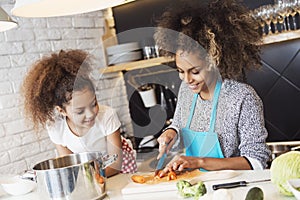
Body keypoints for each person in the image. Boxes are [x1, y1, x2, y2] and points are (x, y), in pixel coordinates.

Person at [154, 0, 271, 174]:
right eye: (180, 71)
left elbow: (256, 161)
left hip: (233, 188)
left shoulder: (242, 97)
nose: (187, 79)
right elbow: (179, 124)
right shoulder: (186, 90)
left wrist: (199, 162)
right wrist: (171, 132)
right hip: (196, 184)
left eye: (195, 71)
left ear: (213, 62)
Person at [21, 49, 137, 177]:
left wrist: (93, 178)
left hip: (116, 166)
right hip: (89, 172)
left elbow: (116, 163)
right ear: (61, 110)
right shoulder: (56, 128)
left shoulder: (107, 115)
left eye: (94, 104)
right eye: (80, 111)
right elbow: (69, 165)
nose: (90, 114)